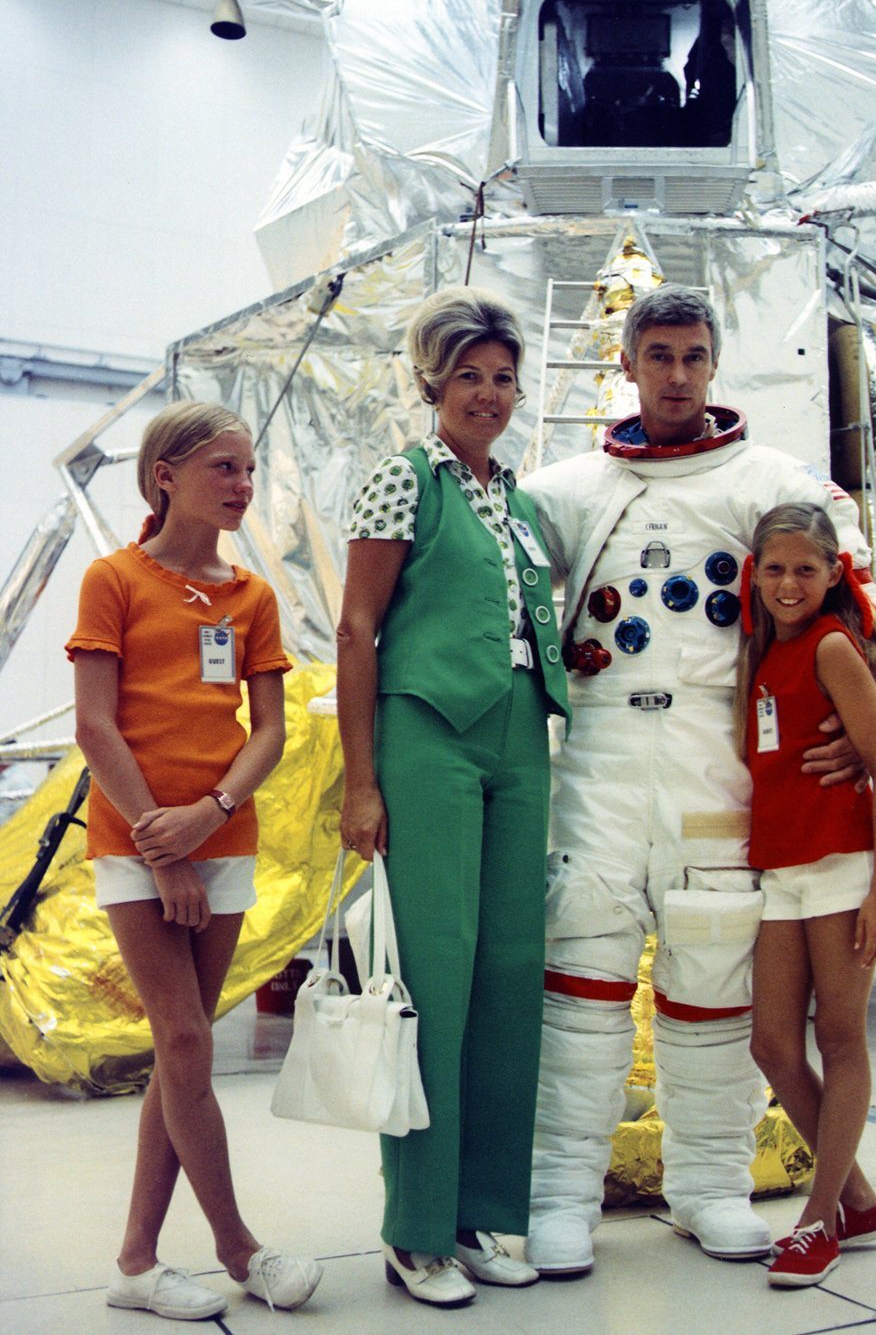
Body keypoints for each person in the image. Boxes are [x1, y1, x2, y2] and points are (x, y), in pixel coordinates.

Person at [521, 284, 876, 1275]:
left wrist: (867, 721)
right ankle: (560, 1194)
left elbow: (857, 596)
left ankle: (711, 1185)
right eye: (659, 357)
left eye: (693, 356)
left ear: (714, 364)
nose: (677, 376)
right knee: (582, 979)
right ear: (629, 366)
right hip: (601, 761)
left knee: (714, 979)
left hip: (717, 761)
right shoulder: (570, 490)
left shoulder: (769, 481)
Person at [336, 287, 570, 1308]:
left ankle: (485, 1214)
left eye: (503, 377)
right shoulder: (406, 479)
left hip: (521, 732)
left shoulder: (519, 500)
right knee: (434, 975)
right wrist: (361, 780)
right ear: (433, 383)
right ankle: (418, 1229)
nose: (488, 393)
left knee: (512, 974)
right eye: (468, 375)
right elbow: (356, 629)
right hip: (427, 730)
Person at [68, 402, 321, 1321]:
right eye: (224, 466)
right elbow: (95, 725)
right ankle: (238, 1248)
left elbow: (270, 732)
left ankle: (135, 1263)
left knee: (189, 1051)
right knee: (182, 1041)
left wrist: (210, 813)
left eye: (249, 469)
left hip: (222, 840)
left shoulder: (251, 598)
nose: (242, 484)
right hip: (135, 843)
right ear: (165, 474)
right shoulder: (112, 579)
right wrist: (161, 843)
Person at [739, 503, 876, 1287]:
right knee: (772, 1043)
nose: (788, 583)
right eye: (774, 568)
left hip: (840, 863)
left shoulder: (833, 646)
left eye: (806, 569)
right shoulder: (765, 652)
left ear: (834, 572)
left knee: (839, 1039)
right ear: (754, 574)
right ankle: (858, 1198)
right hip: (782, 871)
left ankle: (819, 1219)